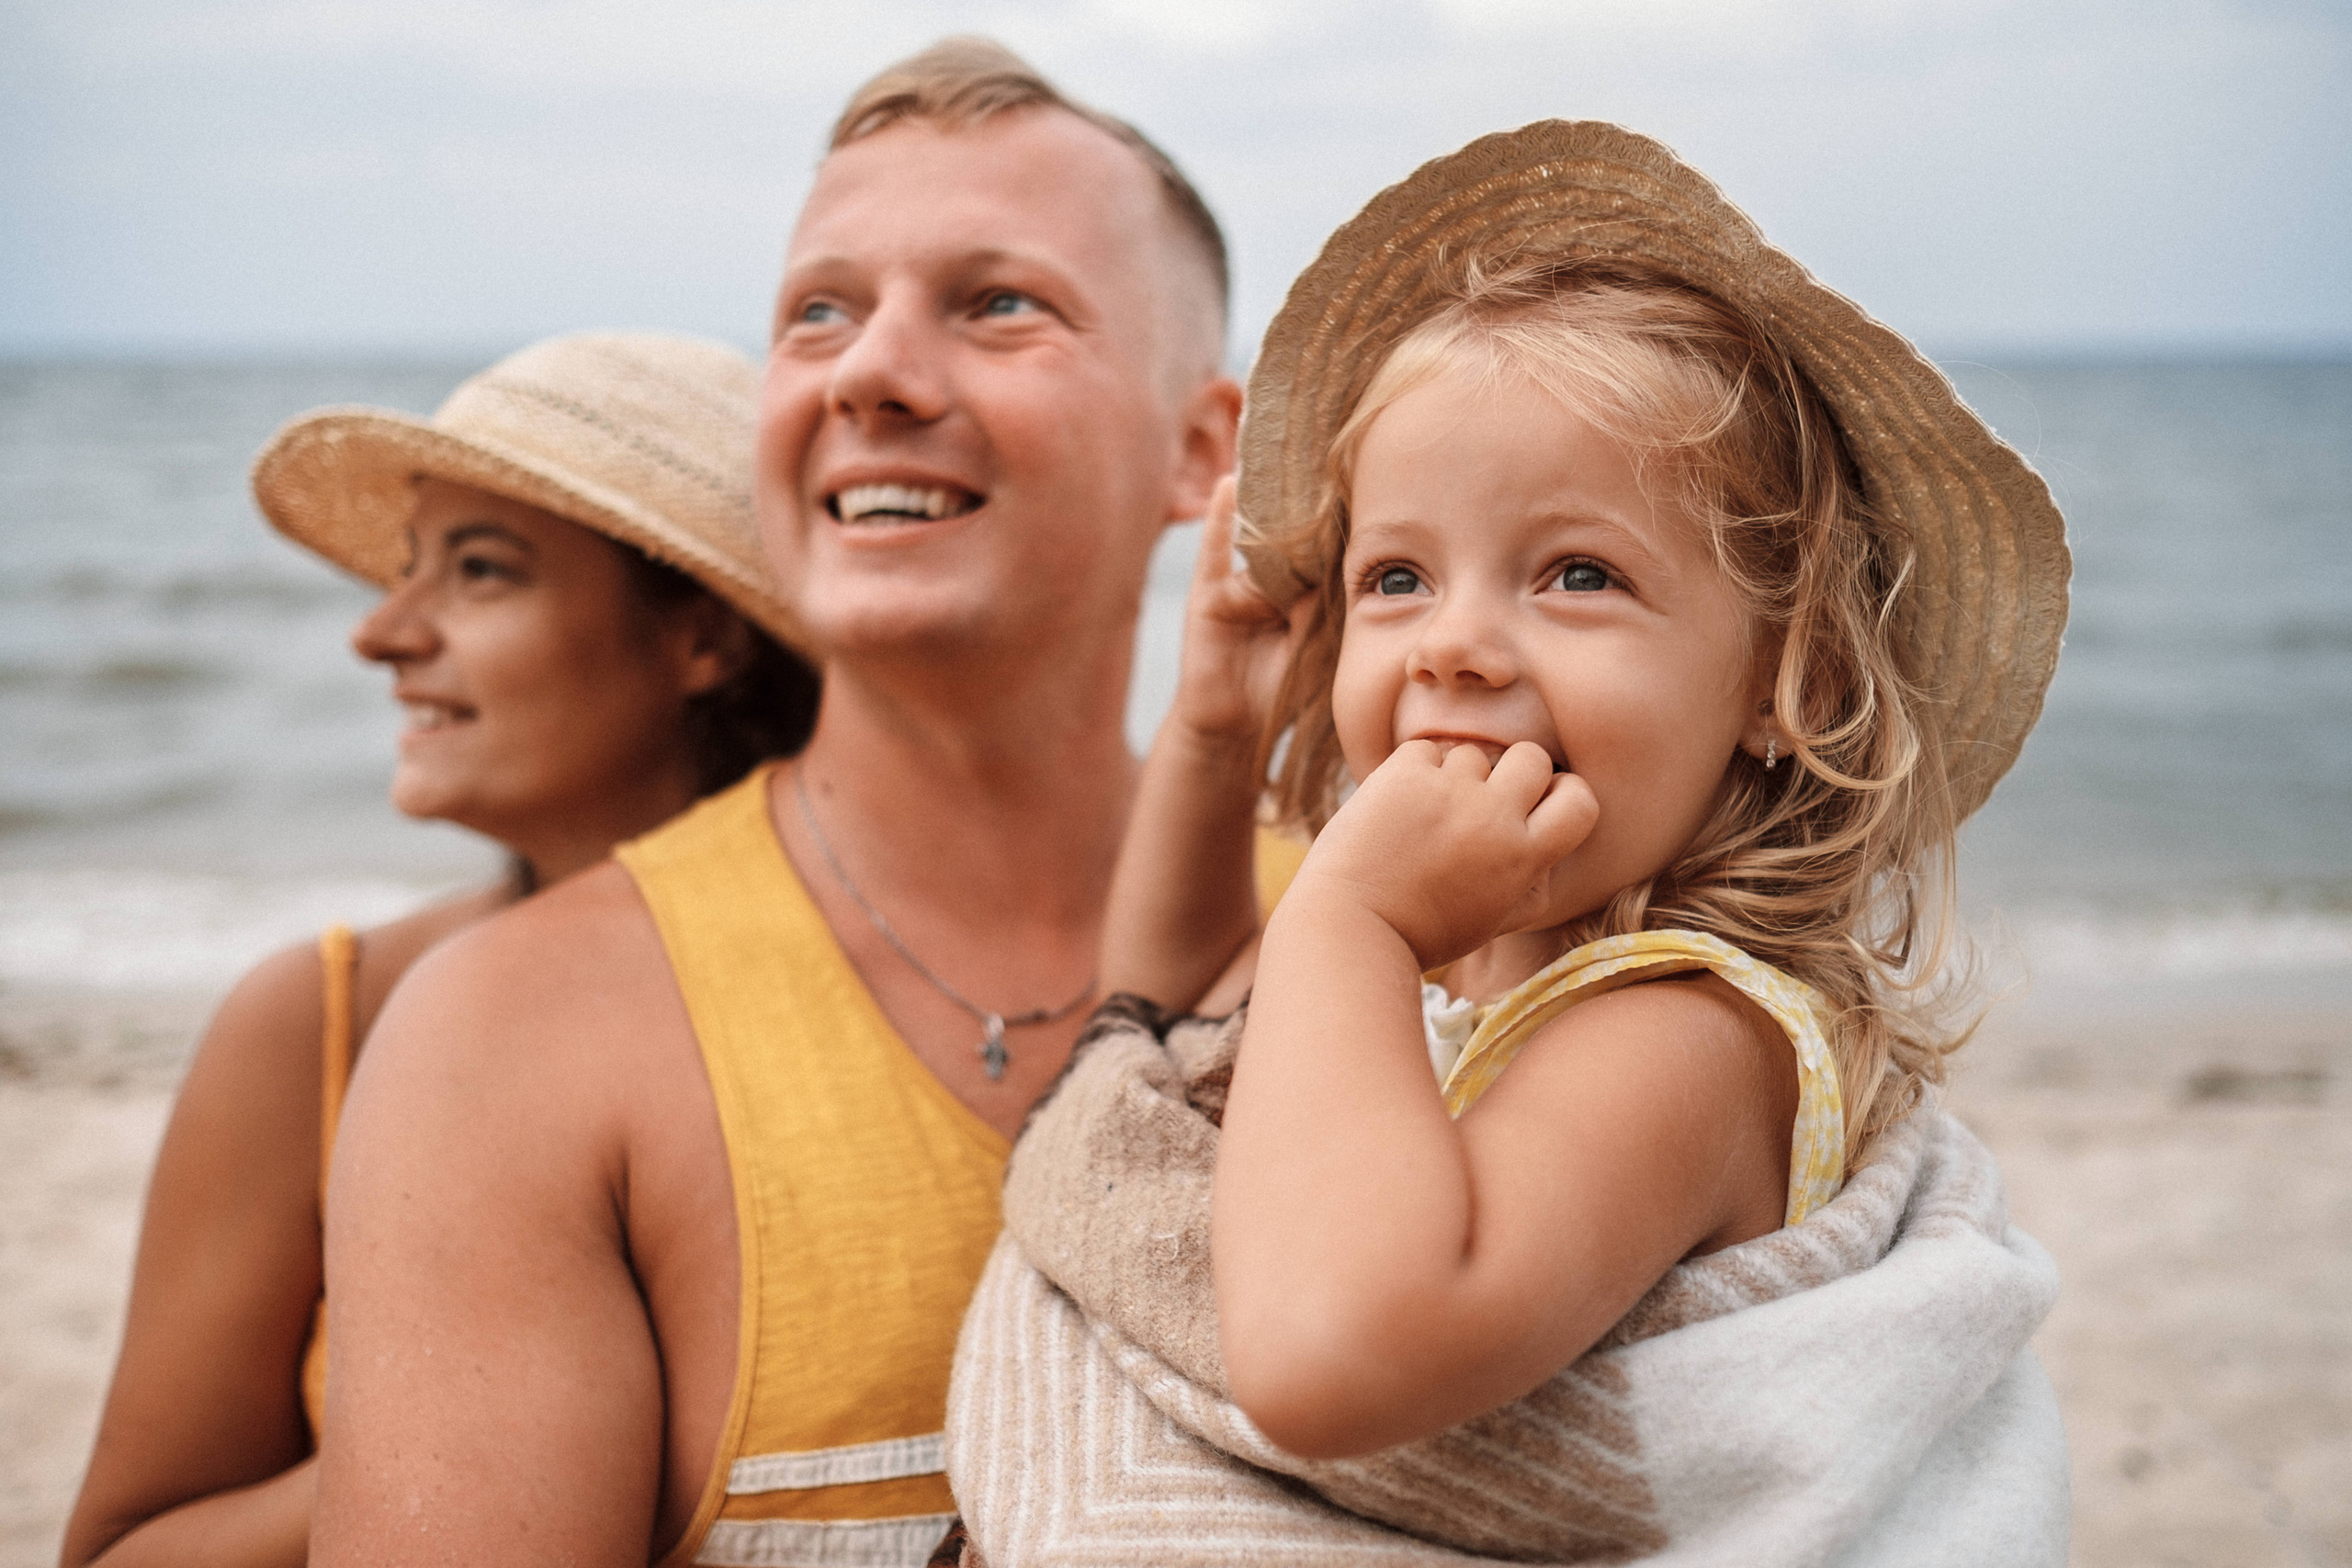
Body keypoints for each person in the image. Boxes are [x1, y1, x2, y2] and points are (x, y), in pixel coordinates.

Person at [943, 121, 2074, 1563]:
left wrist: (1350, 920)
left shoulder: (1691, 1036)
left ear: (1801, 687)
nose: (1459, 645)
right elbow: (1165, 1006)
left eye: (1579, 574)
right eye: (1399, 576)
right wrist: (1219, 736)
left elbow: (1329, 1355)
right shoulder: (1443, 963)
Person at [309, 38, 1263, 1568]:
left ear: (1201, 449)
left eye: (997, 302)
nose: (867, 371)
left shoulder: (1394, 932)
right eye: (817, 312)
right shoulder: (507, 1041)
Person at [59, 333, 818, 1568]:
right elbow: (119, 1553)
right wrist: (457, 1441)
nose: (382, 634)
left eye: (479, 573)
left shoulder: (888, 1014)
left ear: (703, 640)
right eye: (411, 570)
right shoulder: (319, 1020)